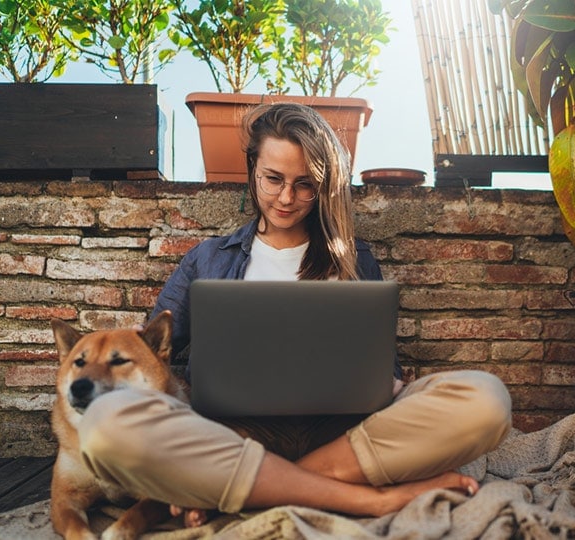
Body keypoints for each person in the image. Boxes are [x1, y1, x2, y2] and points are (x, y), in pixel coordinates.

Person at [76, 102, 512, 524]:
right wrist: (144, 352)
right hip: (232, 436)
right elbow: (156, 367)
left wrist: (390, 381)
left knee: (485, 400)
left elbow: (384, 367)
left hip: (342, 435)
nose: (287, 197)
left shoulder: (356, 259)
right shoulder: (206, 259)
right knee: (105, 425)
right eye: (273, 179)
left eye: (305, 184)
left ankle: (260, 486)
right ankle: (364, 499)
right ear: (252, 170)